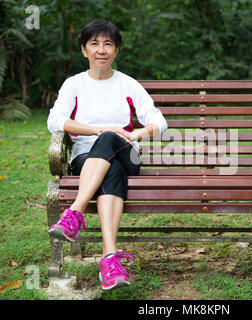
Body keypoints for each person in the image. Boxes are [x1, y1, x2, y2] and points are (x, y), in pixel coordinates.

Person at [46, 19, 168, 290]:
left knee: (110, 138)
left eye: (108, 44)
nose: (101, 50)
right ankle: (109, 259)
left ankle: (73, 213)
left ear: (116, 51)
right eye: (94, 44)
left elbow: (160, 122)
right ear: (84, 50)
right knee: (111, 168)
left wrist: (134, 135)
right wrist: (93, 129)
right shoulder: (74, 85)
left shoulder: (128, 84)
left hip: (128, 155)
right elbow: (55, 120)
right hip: (86, 161)